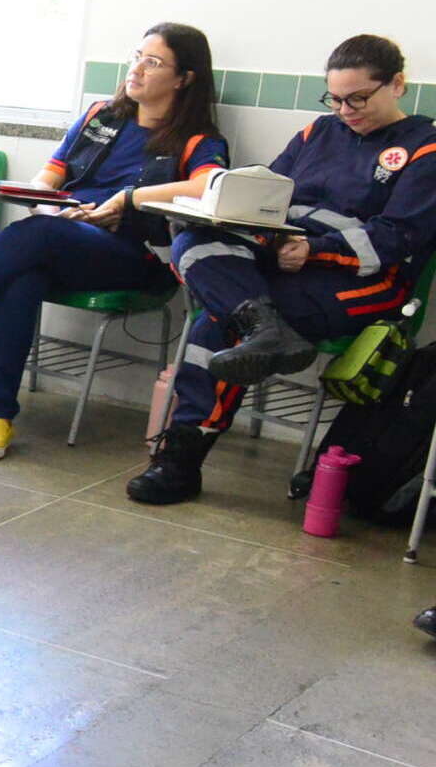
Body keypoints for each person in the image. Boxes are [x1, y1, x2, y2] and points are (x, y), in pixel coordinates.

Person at [0, 24, 229, 460]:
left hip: (131, 256)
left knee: (36, 238)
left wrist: (127, 200)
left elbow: (212, 187)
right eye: (136, 56)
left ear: (184, 78)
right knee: (22, 273)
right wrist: (50, 208)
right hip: (60, 236)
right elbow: (46, 181)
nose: (137, 70)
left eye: (153, 62)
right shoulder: (100, 117)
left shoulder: (199, 139)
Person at [130, 34, 436, 504]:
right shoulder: (318, 132)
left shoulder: (425, 146)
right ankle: (260, 324)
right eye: (335, 99)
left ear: (397, 84)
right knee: (193, 237)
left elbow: (398, 238)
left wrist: (315, 250)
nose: (345, 110)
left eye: (358, 98)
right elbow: (268, 195)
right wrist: (258, 228)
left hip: (364, 282)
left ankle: (182, 460)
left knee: (216, 322)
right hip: (285, 260)